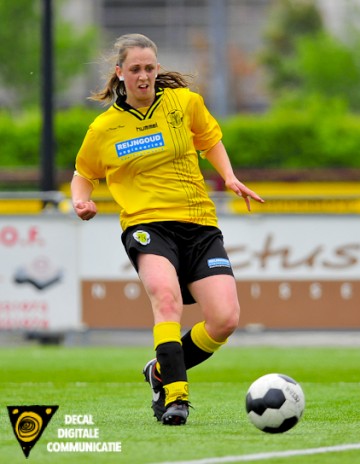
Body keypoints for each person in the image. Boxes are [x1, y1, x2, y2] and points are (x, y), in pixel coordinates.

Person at [71, 33, 264, 425]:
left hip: (198, 223)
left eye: (149, 68)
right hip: (146, 225)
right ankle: (175, 397)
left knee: (225, 319)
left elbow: (210, 140)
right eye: (135, 69)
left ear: (157, 70)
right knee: (166, 298)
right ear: (120, 73)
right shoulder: (104, 129)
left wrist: (228, 177)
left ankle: (159, 370)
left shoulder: (184, 103)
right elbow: (82, 174)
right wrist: (81, 200)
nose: (143, 76)